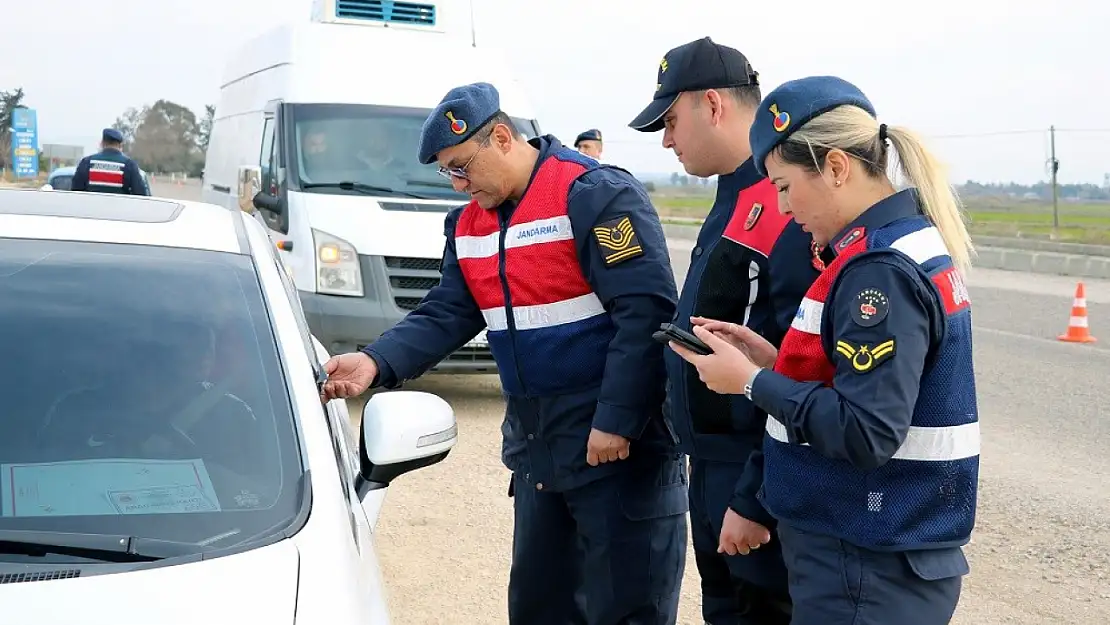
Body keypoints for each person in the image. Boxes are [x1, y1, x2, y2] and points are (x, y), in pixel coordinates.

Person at [320, 82, 688, 625]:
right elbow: (448, 311)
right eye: (448, 172)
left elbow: (647, 315)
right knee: (540, 609)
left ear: (501, 137)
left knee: (626, 609)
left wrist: (618, 419)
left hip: (616, 450)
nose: (458, 183)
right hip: (540, 450)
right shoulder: (467, 225)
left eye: (462, 166)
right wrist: (376, 361)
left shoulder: (593, 195)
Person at [669, 75, 980, 625]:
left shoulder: (876, 274)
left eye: (786, 186)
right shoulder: (899, 244)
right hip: (875, 552)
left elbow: (867, 431)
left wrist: (750, 382)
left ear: (837, 168)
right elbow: (863, 387)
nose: (784, 208)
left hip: (867, 561)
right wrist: (772, 362)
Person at [628, 36, 818, 625]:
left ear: (713, 105)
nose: (666, 140)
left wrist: (754, 499)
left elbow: (801, 369)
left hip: (754, 473)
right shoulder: (731, 195)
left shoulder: (789, 208)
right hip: (710, 465)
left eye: (670, 120)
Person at [71, 128, 149, 195]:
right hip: (120, 211)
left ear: (102, 143)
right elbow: (141, 195)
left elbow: (75, 193)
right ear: (120, 145)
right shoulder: (129, 165)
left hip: (91, 211)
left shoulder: (87, 162)